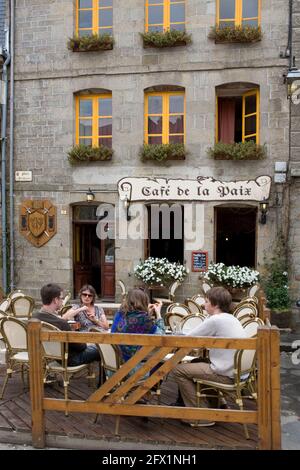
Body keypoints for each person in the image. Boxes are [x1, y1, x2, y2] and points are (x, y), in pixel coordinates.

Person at [169, 286, 247, 427]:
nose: (203, 305)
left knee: (178, 370)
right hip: (237, 371)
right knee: (198, 361)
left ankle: (201, 415)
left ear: (215, 304)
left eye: (206, 301)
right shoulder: (231, 318)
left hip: (225, 373)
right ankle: (215, 404)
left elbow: (189, 338)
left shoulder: (215, 320)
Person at [33, 283, 100, 366]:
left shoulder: (34, 318)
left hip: (52, 356)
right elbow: (80, 347)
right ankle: (109, 377)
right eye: (61, 298)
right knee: (102, 349)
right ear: (55, 300)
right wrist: (86, 343)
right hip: (70, 359)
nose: (62, 301)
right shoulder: (61, 323)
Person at [111, 288, 164, 364]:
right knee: (162, 363)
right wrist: (158, 313)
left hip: (117, 364)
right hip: (133, 367)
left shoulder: (119, 314)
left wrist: (147, 314)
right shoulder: (143, 319)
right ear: (144, 302)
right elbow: (161, 336)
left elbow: (134, 322)